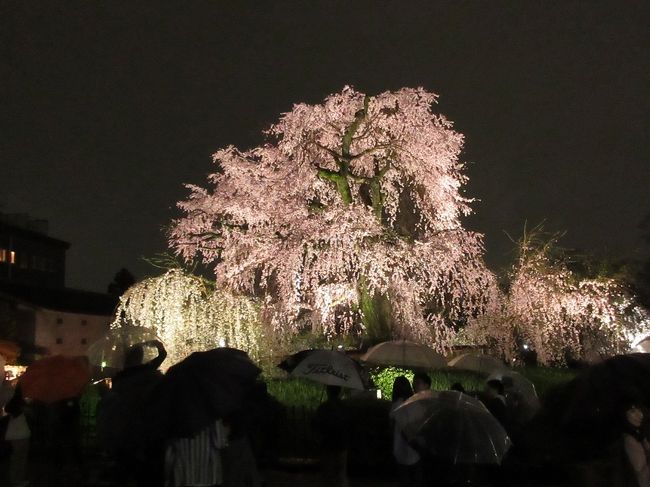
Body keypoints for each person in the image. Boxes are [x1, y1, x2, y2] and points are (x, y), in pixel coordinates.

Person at [97, 339, 167, 487]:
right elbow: (162, 355)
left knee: (127, 462)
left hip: (126, 424)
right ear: (140, 358)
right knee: (144, 465)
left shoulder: (121, 377)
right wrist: (156, 345)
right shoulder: (147, 371)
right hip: (145, 421)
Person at [313, 385, 350, 487]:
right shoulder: (344, 407)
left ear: (328, 392)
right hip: (342, 443)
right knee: (341, 473)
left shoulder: (323, 407)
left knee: (328, 474)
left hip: (327, 444)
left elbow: (316, 425)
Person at [389, 376, 422, 487]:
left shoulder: (396, 406)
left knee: (404, 479)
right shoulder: (416, 403)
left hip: (399, 448)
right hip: (415, 448)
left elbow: (392, 425)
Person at [4, 385, 30, 487]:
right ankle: (17, 480)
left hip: (15, 434)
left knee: (17, 458)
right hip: (21, 434)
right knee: (20, 458)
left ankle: (15, 479)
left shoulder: (14, 402)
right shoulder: (23, 404)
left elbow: (8, 410)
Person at [621, 404, 650, 487]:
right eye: (633, 411)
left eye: (639, 410)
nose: (639, 415)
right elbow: (640, 470)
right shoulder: (630, 439)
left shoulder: (640, 434)